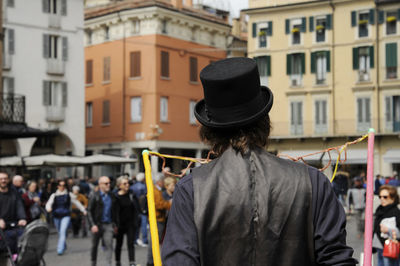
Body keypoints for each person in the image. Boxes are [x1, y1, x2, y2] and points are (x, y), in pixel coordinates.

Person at [162, 57, 357, 265]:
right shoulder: (312, 182)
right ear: (265, 121)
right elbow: (336, 259)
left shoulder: (191, 189)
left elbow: (180, 261)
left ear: (209, 131)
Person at [45, 179, 87, 255]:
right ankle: (63, 245)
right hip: (56, 215)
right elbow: (48, 203)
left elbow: (76, 202)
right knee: (59, 232)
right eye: (60, 185)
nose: (62, 187)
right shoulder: (54, 195)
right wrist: (48, 208)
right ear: (57, 186)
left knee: (63, 231)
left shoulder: (69, 194)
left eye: (63, 185)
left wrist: (83, 210)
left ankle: (60, 249)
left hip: (66, 215)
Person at [87, 176, 115, 266]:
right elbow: (89, 211)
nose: (109, 185)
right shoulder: (94, 196)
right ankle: (93, 263)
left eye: (109, 183)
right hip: (97, 224)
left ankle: (108, 263)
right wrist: (92, 225)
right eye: (106, 183)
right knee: (94, 245)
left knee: (109, 244)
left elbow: (116, 210)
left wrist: (115, 224)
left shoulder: (112, 195)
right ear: (100, 185)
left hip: (108, 224)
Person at [0, 172, 26, 266]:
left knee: (19, 247)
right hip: (1, 228)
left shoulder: (13, 193)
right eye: (1, 179)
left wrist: (22, 218)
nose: (3, 181)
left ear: (8, 179)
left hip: (13, 226)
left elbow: (19, 206)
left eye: (5, 178)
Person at [114, 176, 140, 266]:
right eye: (124, 183)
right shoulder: (115, 196)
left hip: (131, 223)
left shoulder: (131, 194)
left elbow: (137, 208)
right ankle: (118, 261)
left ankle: (132, 262)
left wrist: (137, 220)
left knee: (130, 243)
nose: (127, 185)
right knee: (119, 244)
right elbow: (114, 212)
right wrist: (115, 225)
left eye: (128, 183)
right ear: (119, 185)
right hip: (120, 224)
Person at [147, 173, 171, 266]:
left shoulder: (157, 190)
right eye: (163, 181)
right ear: (159, 182)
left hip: (158, 218)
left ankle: (152, 261)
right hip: (157, 219)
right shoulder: (155, 190)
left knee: (155, 241)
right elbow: (159, 204)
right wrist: (169, 204)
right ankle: (151, 262)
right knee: (154, 241)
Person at [373, 185, 400, 266]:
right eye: (380, 196)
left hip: (390, 248)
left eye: (385, 197)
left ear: (393, 198)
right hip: (379, 247)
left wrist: (387, 230)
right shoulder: (380, 210)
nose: (381, 199)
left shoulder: (396, 212)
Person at [131, 172, 148, 247]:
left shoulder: (133, 187)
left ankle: (135, 239)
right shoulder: (144, 186)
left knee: (136, 225)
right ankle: (144, 240)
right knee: (143, 225)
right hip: (143, 208)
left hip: (135, 208)